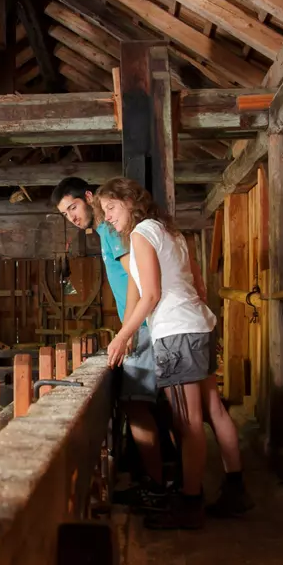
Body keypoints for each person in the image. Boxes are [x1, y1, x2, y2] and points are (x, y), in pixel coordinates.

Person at [53, 178, 252, 522]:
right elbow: (199, 286)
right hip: (197, 323)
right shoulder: (171, 231)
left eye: (112, 208)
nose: (108, 217)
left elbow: (150, 293)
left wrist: (124, 334)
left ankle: (189, 503)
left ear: (130, 202)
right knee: (213, 411)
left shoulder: (141, 234)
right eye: (105, 211)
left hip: (174, 330)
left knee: (187, 422)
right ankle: (235, 488)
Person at [53, 177, 169, 512]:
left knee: (135, 403)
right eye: (65, 214)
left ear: (89, 198)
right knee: (146, 404)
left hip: (142, 326)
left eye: (73, 207)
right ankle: (157, 481)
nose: (72, 217)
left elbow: (135, 276)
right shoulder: (106, 231)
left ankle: (156, 488)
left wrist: (128, 328)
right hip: (142, 324)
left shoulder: (109, 229)